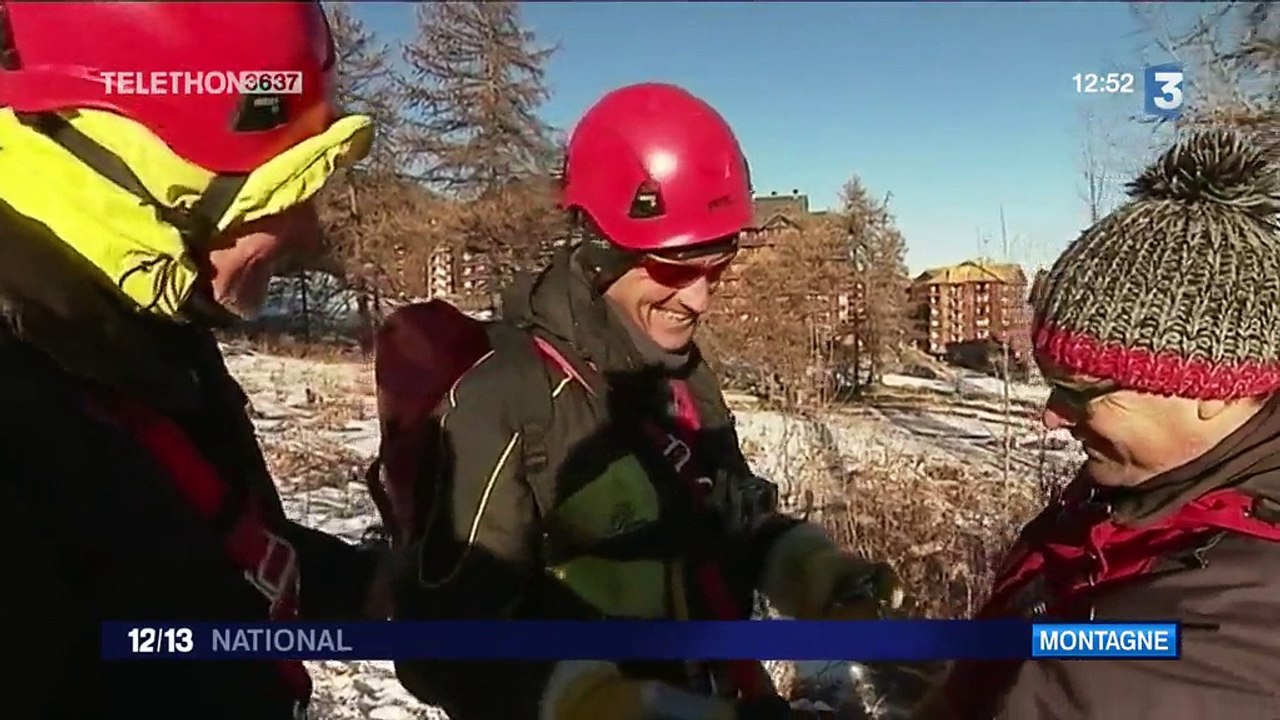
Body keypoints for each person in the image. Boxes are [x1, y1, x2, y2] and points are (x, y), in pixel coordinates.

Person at [386, 82, 904, 720]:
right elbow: (438, 642)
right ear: (602, 249)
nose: (700, 301)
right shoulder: (507, 394)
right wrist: (591, 702)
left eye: (716, 268)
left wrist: (820, 578)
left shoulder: (682, 374)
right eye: (674, 268)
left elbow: (725, 517)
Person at [0, 3, 388, 718]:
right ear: (119, 167)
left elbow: (204, 561)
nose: (306, 226)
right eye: (272, 189)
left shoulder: (144, 320)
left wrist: (395, 594)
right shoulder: (27, 403)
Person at [920, 130, 1280, 718]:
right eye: (1049, 382)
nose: (1051, 416)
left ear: (1218, 387)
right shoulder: (1138, 490)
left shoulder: (1238, 636)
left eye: (1082, 392)